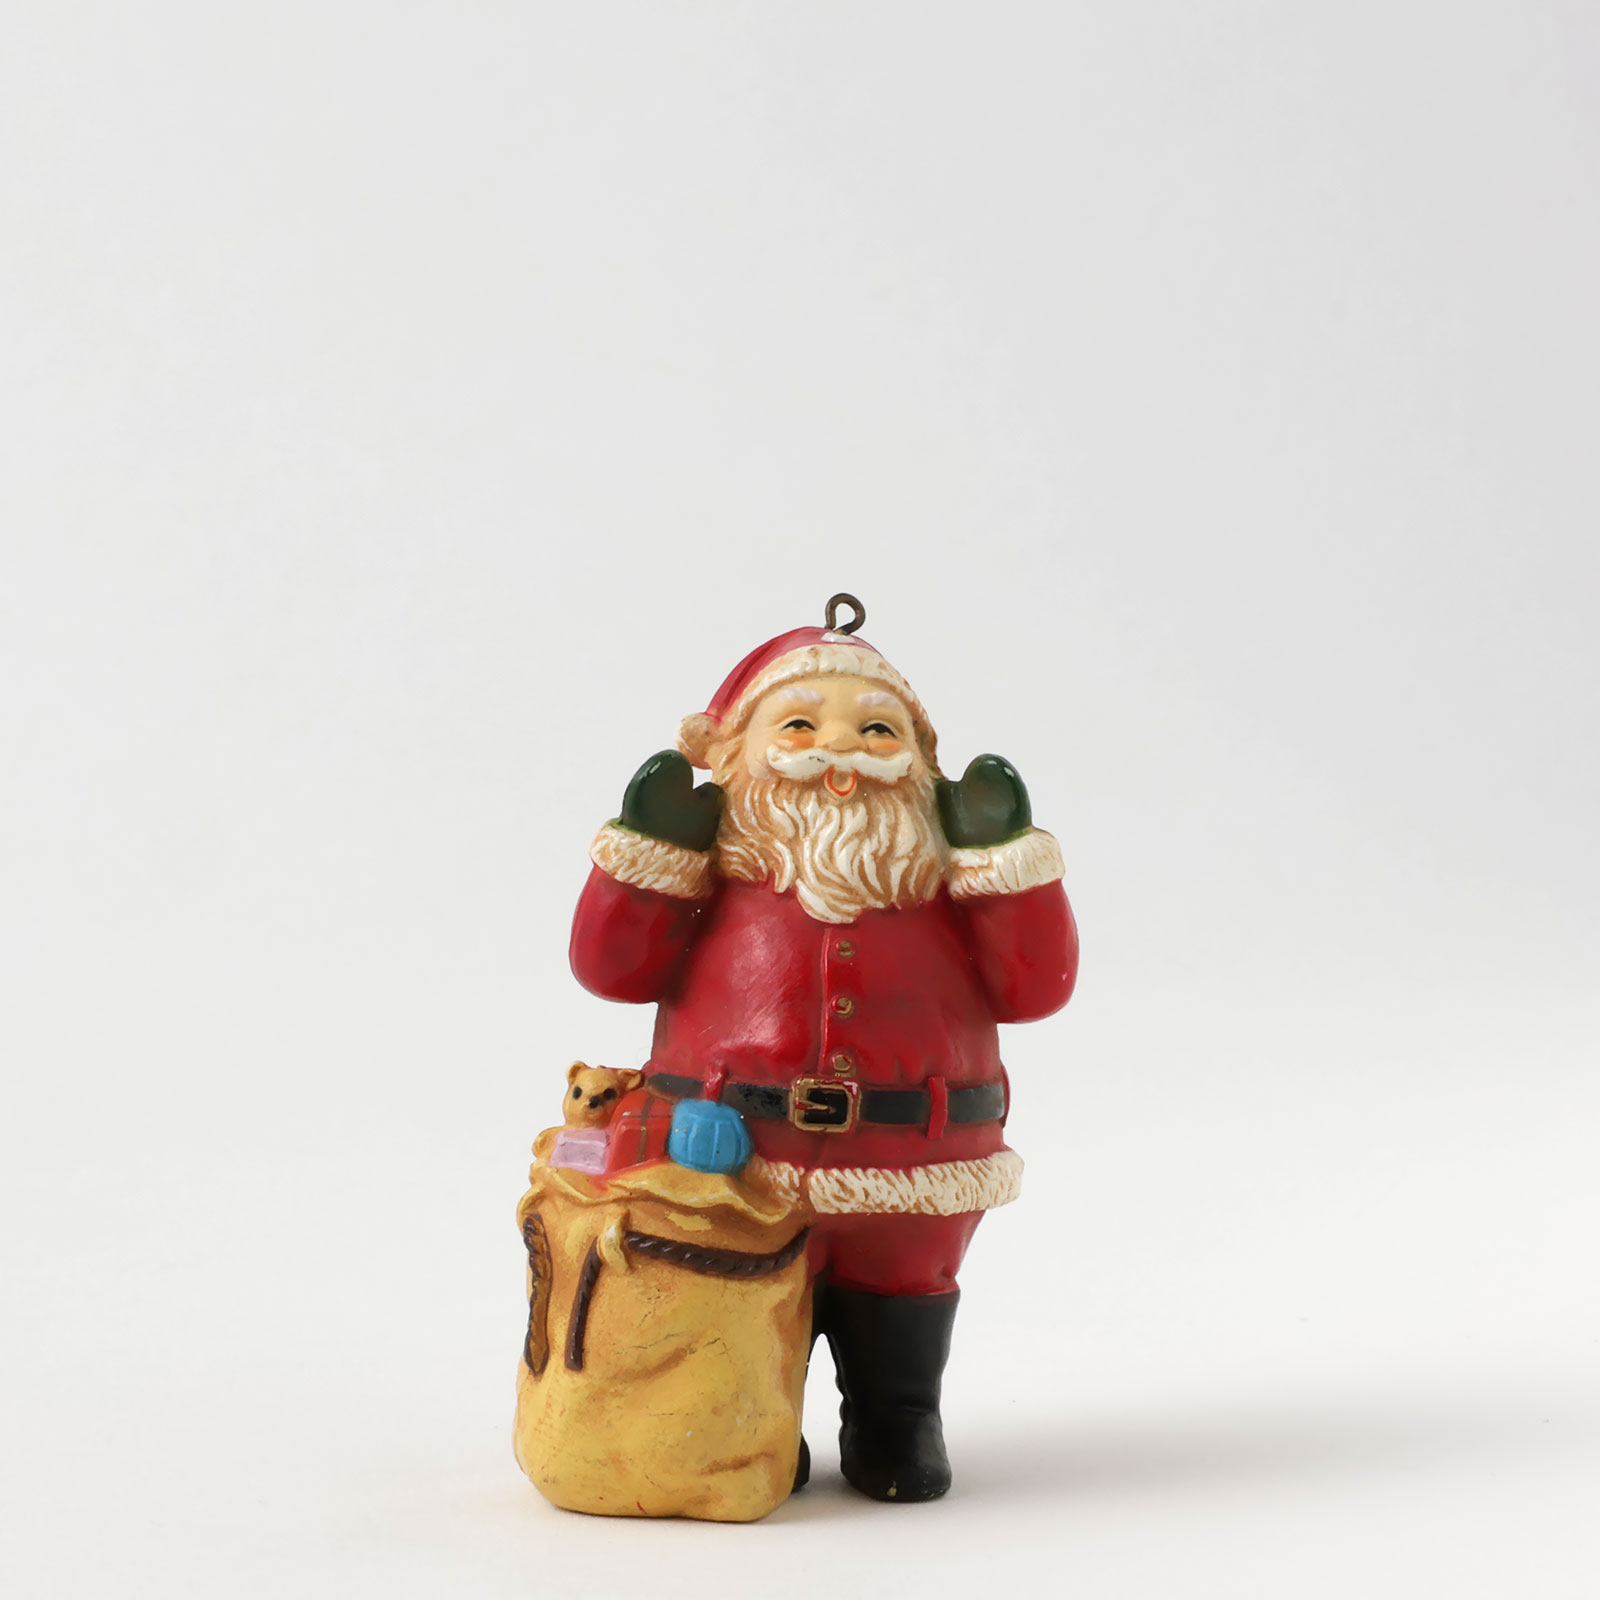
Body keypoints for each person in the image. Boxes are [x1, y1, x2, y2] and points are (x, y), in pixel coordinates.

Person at [568, 600, 1078, 1502]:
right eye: (799, 725)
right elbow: (611, 972)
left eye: (877, 729)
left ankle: (899, 1419)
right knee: (748, 1284)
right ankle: (754, 1423)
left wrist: (1005, 863)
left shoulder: (938, 881)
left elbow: (1034, 990)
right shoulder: (718, 875)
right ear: (736, 756)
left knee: (905, 1287)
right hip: (737, 1149)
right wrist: (646, 858)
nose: (840, 748)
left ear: (922, 766)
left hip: (915, 1153)